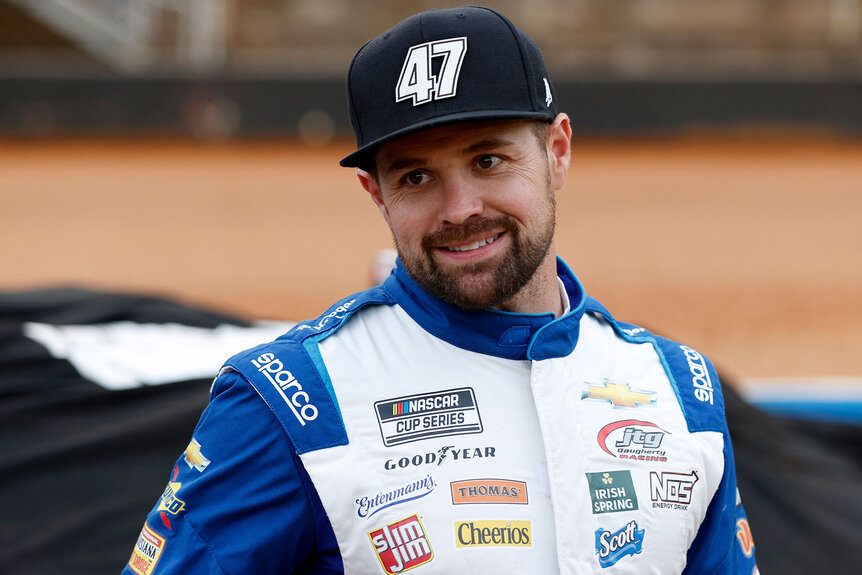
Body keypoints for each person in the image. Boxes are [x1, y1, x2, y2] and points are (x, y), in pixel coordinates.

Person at [123, 6, 758, 574]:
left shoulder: (681, 392)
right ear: (377, 195)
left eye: (488, 161)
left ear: (557, 151)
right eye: (417, 176)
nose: (459, 209)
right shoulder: (288, 399)